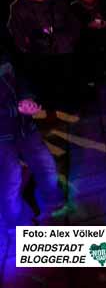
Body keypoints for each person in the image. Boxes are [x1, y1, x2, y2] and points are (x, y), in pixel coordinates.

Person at [0, 51, 68, 228]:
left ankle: (53, 200)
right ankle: (14, 222)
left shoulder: (4, 53)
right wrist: (16, 109)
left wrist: (27, 98)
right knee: (10, 179)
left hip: (24, 127)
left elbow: (20, 77)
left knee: (45, 164)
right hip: (2, 135)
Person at [7, 0, 81, 123]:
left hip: (62, 47)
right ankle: (50, 112)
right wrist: (26, 42)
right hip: (38, 49)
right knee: (45, 82)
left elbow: (72, 22)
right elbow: (15, 28)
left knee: (64, 78)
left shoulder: (57, 2)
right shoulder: (20, 6)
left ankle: (68, 108)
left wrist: (68, 37)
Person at [70, 0, 106, 88]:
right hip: (85, 43)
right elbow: (72, 24)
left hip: (104, 41)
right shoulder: (75, 7)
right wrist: (87, 25)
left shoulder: (103, 5)